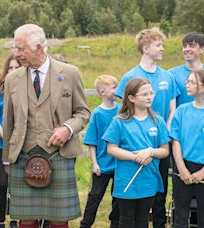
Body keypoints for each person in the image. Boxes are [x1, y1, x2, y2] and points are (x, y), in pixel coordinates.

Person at [3, 24, 90, 228]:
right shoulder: (12, 79)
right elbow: (9, 122)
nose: (17, 54)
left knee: (59, 219)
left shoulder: (69, 73)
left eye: (21, 48)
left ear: (39, 48)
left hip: (58, 155)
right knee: (26, 219)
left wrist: (67, 129)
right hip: (23, 155)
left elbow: (83, 112)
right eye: (15, 48)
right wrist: (7, 158)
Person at [115, 27, 179, 227]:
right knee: (130, 196)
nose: (162, 48)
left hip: (159, 145)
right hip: (133, 148)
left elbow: (172, 109)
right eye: (158, 45)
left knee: (159, 192)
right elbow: (122, 112)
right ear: (145, 48)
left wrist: (163, 137)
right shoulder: (129, 76)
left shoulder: (168, 76)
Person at [103, 78, 170, 228]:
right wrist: (135, 157)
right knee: (126, 221)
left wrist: (150, 152)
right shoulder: (119, 122)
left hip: (148, 180)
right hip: (126, 181)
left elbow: (165, 150)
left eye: (151, 93)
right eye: (144, 94)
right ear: (131, 98)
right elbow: (111, 148)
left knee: (142, 220)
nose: (150, 96)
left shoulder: (158, 121)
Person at [80, 75, 120, 228]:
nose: (117, 90)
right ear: (102, 92)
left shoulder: (121, 110)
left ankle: (115, 223)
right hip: (102, 165)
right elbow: (92, 141)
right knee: (95, 196)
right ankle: (86, 224)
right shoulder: (97, 113)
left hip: (119, 164)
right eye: (114, 87)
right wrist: (95, 163)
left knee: (117, 199)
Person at [0, 54, 21, 228]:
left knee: (17, 184)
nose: (13, 71)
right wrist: (7, 139)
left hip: (21, 144)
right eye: (11, 68)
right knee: (2, 184)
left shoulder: (25, 88)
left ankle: (15, 219)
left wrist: (17, 140)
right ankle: (1, 221)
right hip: (1, 144)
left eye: (17, 68)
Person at [170, 69, 204, 228]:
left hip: (202, 169)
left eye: (192, 82)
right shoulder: (182, 110)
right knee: (180, 216)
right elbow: (176, 140)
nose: (187, 85)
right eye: (187, 81)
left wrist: (202, 172)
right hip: (182, 167)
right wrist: (182, 168)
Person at [169, 32, 204, 107]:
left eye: (192, 46)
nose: (187, 49)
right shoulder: (171, 74)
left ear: (202, 49)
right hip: (182, 117)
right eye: (185, 46)